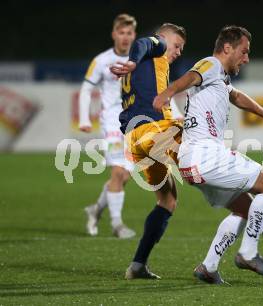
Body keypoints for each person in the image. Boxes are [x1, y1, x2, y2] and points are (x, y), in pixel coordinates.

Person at [152, 25, 263, 284]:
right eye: (244, 52)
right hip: (205, 155)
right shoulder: (211, 64)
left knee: (244, 210)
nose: (246, 58)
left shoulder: (220, 77)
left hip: (192, 162)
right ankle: (248, 253)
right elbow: (191, 76)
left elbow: (235, 95)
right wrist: (167, 94)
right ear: (227, 48)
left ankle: (208, 267)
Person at [110, 23, 186, 279]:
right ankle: (261, 224)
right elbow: (143, 42)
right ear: (164, 38)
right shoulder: (156, 46)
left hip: (135, 140)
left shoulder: (150, 67)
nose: (177, 52)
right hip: (152, 131)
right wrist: (132, 61)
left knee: (167, 201)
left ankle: (137, 265)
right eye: (177, 46)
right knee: (201, 135)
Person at [79, 14, 137, 239]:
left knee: (124, 177)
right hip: (112, 121)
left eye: (129, 33)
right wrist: (84, 119)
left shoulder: (139, 58)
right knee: (118, 171)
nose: (125, 37)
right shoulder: (102, 60)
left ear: (134, 35)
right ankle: (117, 224)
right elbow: (86, 88)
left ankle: (95, 210)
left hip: (133, 123)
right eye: (121, 32)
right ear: (114, 34)